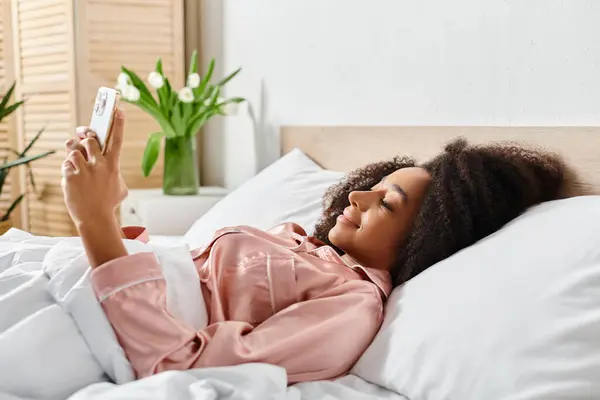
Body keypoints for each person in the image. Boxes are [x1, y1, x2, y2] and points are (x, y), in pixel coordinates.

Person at [62, 110, 573, 384]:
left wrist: (96, 222)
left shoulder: (349, 309)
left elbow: (179, 365)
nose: (357, 195)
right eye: (376, 184)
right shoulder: (304, 244)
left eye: (386, 204)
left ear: (425, 239)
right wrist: (111, 210)